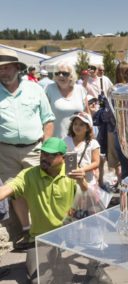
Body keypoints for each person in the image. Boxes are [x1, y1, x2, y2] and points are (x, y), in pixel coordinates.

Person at [0, 48, 55, 248]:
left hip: (35, 149)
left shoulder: (35, 89)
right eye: (0, 69)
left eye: (6, 68)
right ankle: (25, 230)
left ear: (17, 68)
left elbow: (48, 120)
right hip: (5, 151)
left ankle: (44, 230)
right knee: (15, 192)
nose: (3, 72)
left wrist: (45, 146)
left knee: (40, 189)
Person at [0, 137, 87, 248]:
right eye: (42, 153)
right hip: (41, 237)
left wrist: (82, 181)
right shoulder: (28, 175)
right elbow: (6, 190)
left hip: (68, 234)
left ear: (64, 158)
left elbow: (88, 196)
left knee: (64, 263)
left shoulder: (72, 171)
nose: (44, 158)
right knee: (37, 264)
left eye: (50, 155)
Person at [46, 63, 88, 138]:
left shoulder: (80, 89)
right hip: (56, 142)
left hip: (78, 141)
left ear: (71, 76)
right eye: (57, 73)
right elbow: (43, 115)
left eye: (64, 73)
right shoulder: (49, 89)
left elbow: (87, 114)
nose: (60, 75)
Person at [64, 112, 100, 185]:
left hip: (88, 181)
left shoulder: (93, 143)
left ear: (87, 128)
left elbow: (96, 162)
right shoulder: (66, 140)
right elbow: (62, 157)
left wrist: (82, 170)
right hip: (70, 181)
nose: (77, 126)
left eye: (81, 125)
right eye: (75, 124)